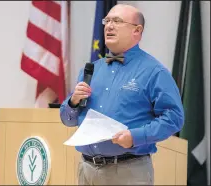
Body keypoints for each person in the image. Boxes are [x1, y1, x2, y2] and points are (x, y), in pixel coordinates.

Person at [60, 4, 184, 185]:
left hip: (128, 171)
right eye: (107, 20)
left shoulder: (154, 72)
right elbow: (67, 120)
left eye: (117, 21)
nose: (109, 26)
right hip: (86, 170)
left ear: (137, 30)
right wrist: (72, 102)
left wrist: (135, 137)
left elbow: (174, 118)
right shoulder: (92, 70)